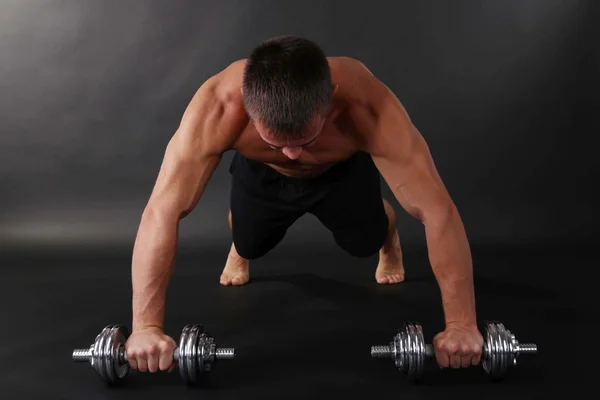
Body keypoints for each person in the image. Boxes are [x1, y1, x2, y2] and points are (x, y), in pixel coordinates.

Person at [125, 35, 484, 375]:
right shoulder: (218, 105)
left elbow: (438, 210)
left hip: (340, 173)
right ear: (248, 107)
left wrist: (461, 325)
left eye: (305, 139)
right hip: (262, 176)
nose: (294, 154)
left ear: (330, 97)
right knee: (250, 241)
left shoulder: (368, 105)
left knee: (365, 241)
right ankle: (242, 246)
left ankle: (388, 238)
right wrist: (146, 328)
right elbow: (162, 210)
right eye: (277, 142)